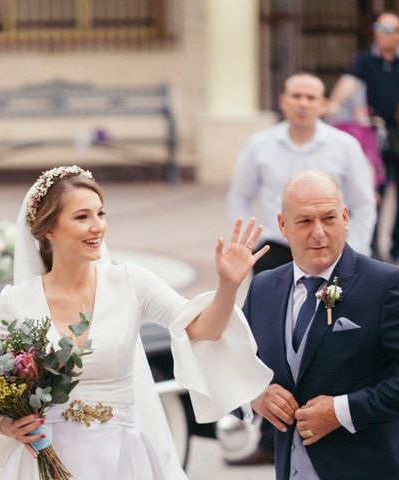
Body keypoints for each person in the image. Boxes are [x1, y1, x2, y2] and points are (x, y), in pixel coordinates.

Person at [0, 165, 273, 479]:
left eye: (100, 214)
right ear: (48, 230)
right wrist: (8, 426)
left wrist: (228, 287)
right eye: (82, 217)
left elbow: (203, 329)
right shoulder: (14, 302)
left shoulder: (130, 281)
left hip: (121, 458)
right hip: (42, 459)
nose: (97, 226)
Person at [241, 171, 399, 479]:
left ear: (345, 217)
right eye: (304, 221)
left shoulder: (386, 285)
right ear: (283, 225)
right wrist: (255, 397)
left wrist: (343, 411)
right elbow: (235, 365)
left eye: (328, 218)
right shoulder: (264, 287)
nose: (319, 233)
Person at [228, 72, 377, 273]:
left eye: (310, 97)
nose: (303, 104)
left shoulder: (346, 146)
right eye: (296, 96)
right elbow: (239, 196)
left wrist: (355, 251)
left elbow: (363, 203)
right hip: (275, 251)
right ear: (283, 101)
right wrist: (249, 246)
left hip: (330, 252)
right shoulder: (259, 145)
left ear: (323, 104)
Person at [329, 12, 399, 261]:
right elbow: (349, 83)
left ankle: (396, 249)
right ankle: (373, 249)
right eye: (378, 28)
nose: (381, 33)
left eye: (388, 29)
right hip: (374, 135)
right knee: (373, 192)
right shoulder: (366, 59)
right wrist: (330, 105)